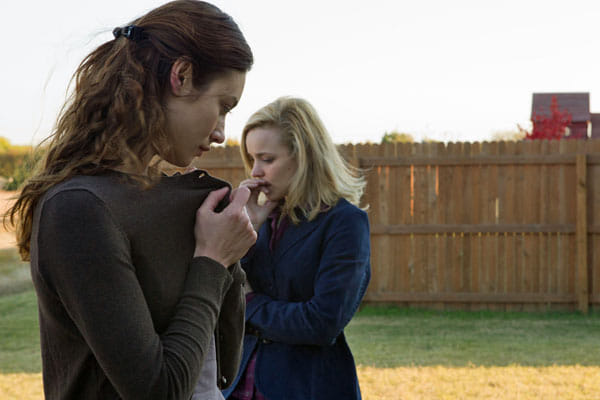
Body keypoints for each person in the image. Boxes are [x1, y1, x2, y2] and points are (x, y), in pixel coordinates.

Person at [6, 1, 257, 399]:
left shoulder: (177, 203)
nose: (221, 134)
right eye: (223, 106)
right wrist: (212, 261)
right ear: (181, 76)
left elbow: (223, 365)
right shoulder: (79, 209)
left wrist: (226, 255)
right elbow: (159, 391)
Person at [222, 97, 371, 400]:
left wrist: (250, 302)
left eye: (267, 159)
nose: (255, 171)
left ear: (304, 157)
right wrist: (250, 230)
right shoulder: (261, 219)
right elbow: (223, 301)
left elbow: (321, 323)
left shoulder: (345, 223)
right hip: (237, 387)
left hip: (307, 388)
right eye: (252, 159)